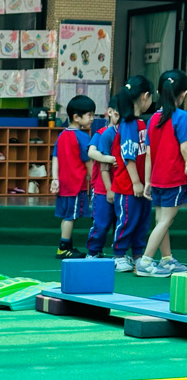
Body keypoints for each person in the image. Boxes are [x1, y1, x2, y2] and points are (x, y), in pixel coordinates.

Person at [136, 69, 187, 276]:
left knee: (161, 220)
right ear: (183, 94)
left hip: (157, 178)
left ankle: (166, 259)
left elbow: (148, 153)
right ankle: (146, 261)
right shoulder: (182, 117)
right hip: (174, 177)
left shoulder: (153, 119)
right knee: (166, 220)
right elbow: (185, 148)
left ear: (158, 92)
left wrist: (148, 180)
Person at [108, 75, 153, 272]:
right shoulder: (128, 124)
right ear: (144, 96)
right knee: (127, 220)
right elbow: (128, 156)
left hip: (142, 185)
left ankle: (137, 255)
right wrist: (136, 182)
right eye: (151, 97)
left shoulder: (141, 123)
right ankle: (119, 255)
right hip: (128, 186)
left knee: (142, 222)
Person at [49, 94, 95, 259]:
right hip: (75, 185)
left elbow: (55, 157)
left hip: (64, 184)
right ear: (76, 117)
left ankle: (66, 245)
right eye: (89, 115)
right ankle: (63, 247)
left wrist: (55, 179)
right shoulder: (83, 137)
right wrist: (94, 179)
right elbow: (88, 161)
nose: (92, 118)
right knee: (70, 217)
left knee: (66, 216)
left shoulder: (62, 135)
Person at [85, 97, 119, 259]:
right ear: (110, 112)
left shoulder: (126, 133)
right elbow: (91, 152)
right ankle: (93, 252)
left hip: (121, 186)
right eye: (117, 114)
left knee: (120, 223)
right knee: (101, 223)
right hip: (101, 188)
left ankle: (120, 254)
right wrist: (110, 159)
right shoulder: (101, 133)